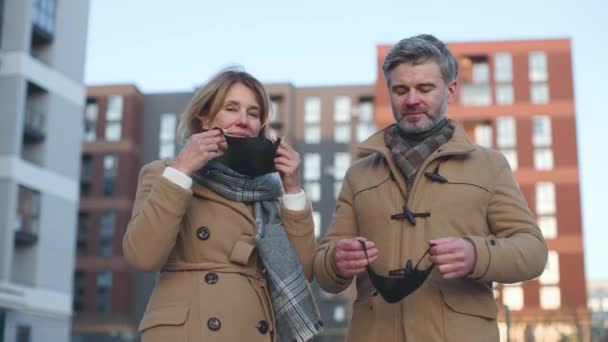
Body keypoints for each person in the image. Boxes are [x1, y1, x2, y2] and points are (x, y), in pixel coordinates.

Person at [313, 34, 548, 342]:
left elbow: (533, 252)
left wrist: (476, 254)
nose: (412, 100)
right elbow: (324, 272)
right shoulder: (359, 174)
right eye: (400, 90)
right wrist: (336, 261)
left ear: (451, 89)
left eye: (425, 88)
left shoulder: (490, 166)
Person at [123, 67, 322, 342]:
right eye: (231, 108)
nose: (243, 120)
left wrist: (292, 190)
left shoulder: (268, 191)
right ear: (205, 119)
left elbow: (304, 271)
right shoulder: (165, 173)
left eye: (253, 114)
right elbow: (143, 256)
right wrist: (182, 170)